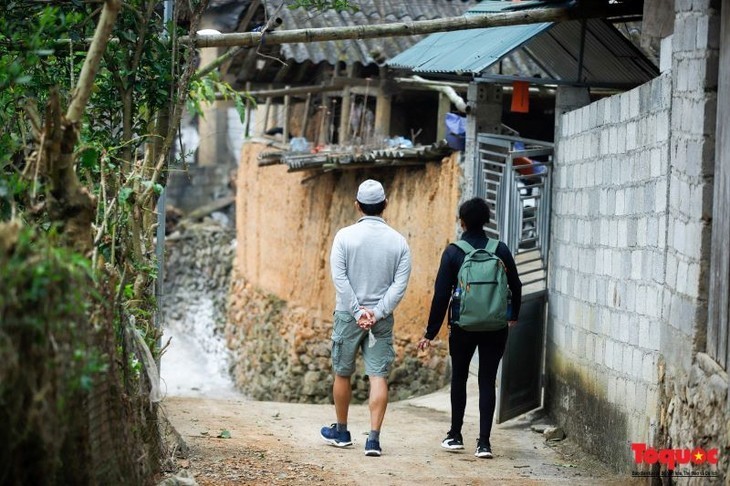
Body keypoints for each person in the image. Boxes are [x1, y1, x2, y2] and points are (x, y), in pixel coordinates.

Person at [417, 197, 522, 459]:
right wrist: (513, 316)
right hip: (496, 326)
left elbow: (441, 295)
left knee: (460, 378)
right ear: (487, 221)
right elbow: (516, 285)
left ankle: (455, 435)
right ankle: (484, 443)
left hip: (462, 326)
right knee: (487, 380)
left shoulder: (454, 251)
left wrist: (430, 333)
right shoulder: (501, 249)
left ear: (462, 222)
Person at [320, 179, 412, 457]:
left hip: (349, 316)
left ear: (357, 205)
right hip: (380, 321)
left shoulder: (344, 237)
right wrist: (378, 312)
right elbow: (400, 284)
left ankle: (343, 431)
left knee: (342, 372)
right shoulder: (399, 242)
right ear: (385, 205)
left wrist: (358, 312)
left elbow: (340, 279)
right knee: (378, 375)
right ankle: (373, 439)